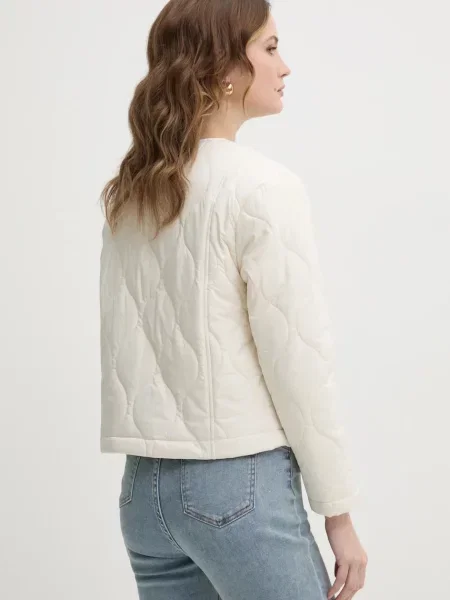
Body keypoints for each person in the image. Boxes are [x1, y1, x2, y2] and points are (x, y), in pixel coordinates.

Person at [99, 1, 368, 598]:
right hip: (235, 488)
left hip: (144, 494)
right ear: (223, 66)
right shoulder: (264, 188)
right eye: (270, 48)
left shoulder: (132, 192)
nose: (285, 66)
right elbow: (298, 364)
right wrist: (339, 513)